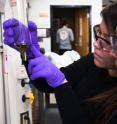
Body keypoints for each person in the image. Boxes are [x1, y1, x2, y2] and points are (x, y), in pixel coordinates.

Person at [3, 2, 117, 124]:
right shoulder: (92, 62)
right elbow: (46, 85)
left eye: (106, 39)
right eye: (98, 32)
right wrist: (29, 53)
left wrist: (61, 83)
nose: (96, 44)